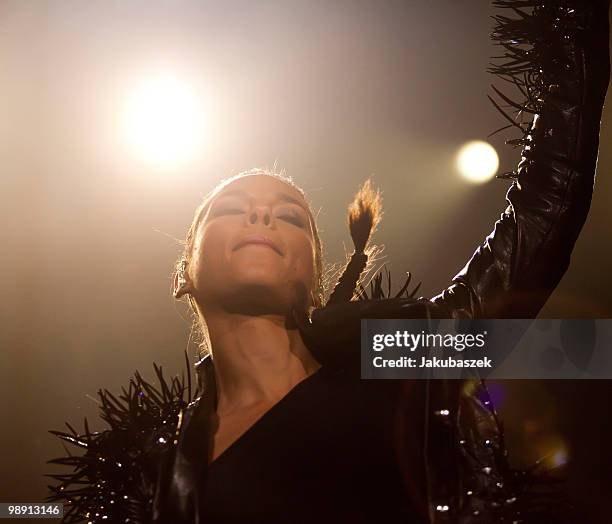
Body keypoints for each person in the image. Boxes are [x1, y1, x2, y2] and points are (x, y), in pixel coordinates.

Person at [48, 1, 610, 522]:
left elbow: (544, 212)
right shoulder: (156, 471)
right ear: (183, 272)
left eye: (289, 216)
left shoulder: (401, 356)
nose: (262, 218)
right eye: (233, 209)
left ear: (314, 276)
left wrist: (572, 24)